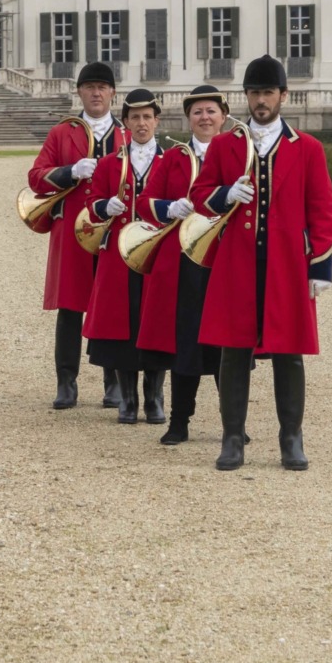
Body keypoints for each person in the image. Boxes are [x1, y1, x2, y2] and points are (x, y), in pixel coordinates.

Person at [190, 56, 332, 472]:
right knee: (233, 352)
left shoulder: (308, 148)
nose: (260, 100)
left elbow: (322, 210)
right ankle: (232, 438)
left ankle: (291, 438)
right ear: (246, 96)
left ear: (282, 96)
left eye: (267, 92)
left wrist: (320, 265)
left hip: (287, 266)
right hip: (237, 263)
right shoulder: (225, 145)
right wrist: (223, 196)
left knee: (289, 353)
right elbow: (200, 195)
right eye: (254, 93)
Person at [133, 85, 229, 444]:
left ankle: (231, 422)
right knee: (186, 342)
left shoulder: (239, 153)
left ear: (223, 115)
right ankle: (180, 421)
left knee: (228, 343)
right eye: (197, 112)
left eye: (210, 111)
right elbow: (144, 203)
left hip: (224, 260)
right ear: (189, 119)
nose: (205, 118)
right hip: (185, 261)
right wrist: (168, 207)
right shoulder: (174, 158)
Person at [29, 62, 124, 410]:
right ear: (79, 92)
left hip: (114, 228)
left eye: (102, 87)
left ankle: (112, 380)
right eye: (89, 87)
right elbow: (36, 176)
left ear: (112, 92)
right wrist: (70, 171)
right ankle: (66, 382)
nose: (96, 93)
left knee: (112, 304)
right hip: (73, 228)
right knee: (70, 308)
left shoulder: (126, 133)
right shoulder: (62, 132)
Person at [83, 88, 167, 424]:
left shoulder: (171, 160)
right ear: (126, 123)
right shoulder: (109, 163)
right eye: (135, 117)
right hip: (118, 255)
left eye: (147, 117)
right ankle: (128, 399)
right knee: (122, 327)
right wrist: (105, 206)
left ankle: (154, 398)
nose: (142, 123)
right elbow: (92, 205)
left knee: (156, 324)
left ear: (157, 121)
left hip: (156, 254)